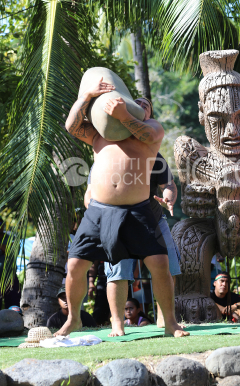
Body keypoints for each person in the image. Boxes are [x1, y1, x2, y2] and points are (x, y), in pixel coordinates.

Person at [59, 77, 188, 338]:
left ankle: (171, 323)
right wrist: (87, 96)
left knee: (160, 263)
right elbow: (71, 126)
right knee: (74, 265)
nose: (139, 104)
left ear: (147, 112)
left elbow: (147, 134)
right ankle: (74, 319)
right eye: (134, 101)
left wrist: (124, 114)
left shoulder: (151, 131)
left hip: (139, 210)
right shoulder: (99, 133)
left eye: (144, 104)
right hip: (98, 211)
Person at [84, 107, 181, 330]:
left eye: (143, 109)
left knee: (169, 268)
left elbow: (169, 185)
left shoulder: (153, 154)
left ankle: (166, 320)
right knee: (117, 273)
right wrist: (95, 210)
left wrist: (168, 197)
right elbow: (89, 194)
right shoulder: (105, 153)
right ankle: (117, 323)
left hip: (153, 220)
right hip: (116, 223)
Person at [0, 218, 20, 326]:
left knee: (13, 306)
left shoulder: (11, 237)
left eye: (0, 223)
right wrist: (4, 249)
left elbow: (14, 251)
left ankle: (14, 328)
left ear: (4, 225)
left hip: (10, 278)